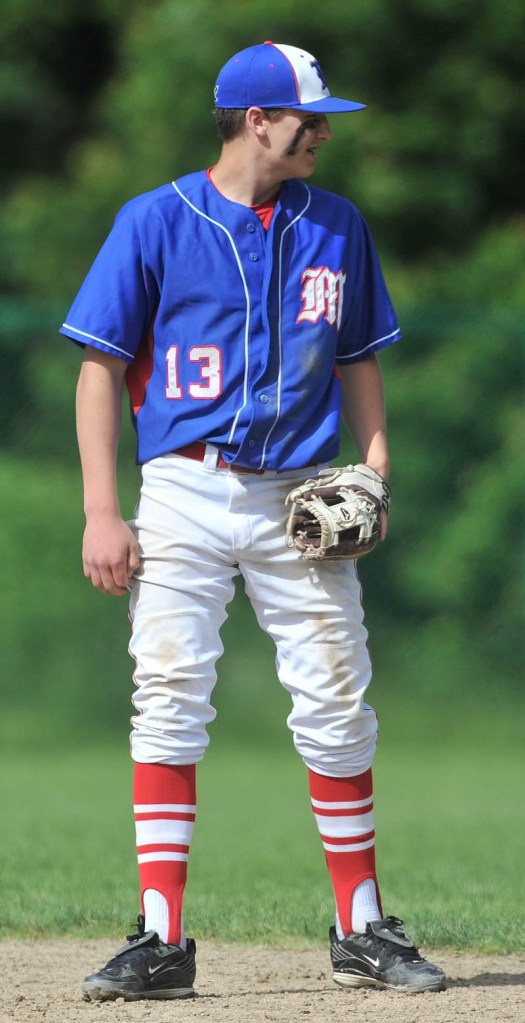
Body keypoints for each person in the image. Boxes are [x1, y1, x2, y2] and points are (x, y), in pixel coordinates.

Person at [61, 40, 446, 1001]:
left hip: (302, 492)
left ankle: (360, 927)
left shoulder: (337, 226)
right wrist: (102, 509)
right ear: (254, 119)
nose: (322, 131)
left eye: (323, 118)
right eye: (308, 117)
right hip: (182, 487)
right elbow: (99, 367)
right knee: (171, 690)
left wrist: (377, 462)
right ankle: (160, 938)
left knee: (333, 697)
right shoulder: (154, 220)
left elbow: (358, 354)